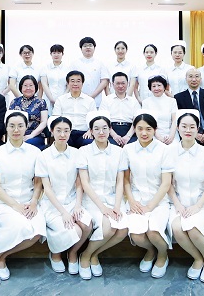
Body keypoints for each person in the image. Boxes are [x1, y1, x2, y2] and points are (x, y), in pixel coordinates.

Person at [0, 111, 45, 286]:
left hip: (29, 201)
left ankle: (2, 257)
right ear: (6, 128)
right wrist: (15, 205)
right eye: (12, 126)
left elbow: (38, 182)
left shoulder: (35, 152)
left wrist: (34, 202)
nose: (16, 130)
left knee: (38, 229)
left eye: (20, 126)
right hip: (4, 202)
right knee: (19, 225)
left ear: (26, 127)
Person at [36, 116, 93, 275]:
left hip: (72, 200)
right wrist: (63, 212)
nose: (62, 134)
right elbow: (47, 188)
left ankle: (73, 253)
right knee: (74, 230)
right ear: (52, 131)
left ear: (70, 132)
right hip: (52, 204)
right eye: (59, 130)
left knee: (87, 225)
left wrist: (77, 205)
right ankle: (55, 254)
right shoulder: (43, 156)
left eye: (66, 131)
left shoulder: (77, 153)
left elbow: (79, 183)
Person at [168, 110, 204, 283]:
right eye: (184, 126)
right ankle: (197, 259)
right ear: (178, 128)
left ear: (198, 129)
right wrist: (178, 204)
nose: (188, 130)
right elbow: (167, 184)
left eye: (192, 127)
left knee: (194, 229)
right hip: (178, 202)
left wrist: (197, 206)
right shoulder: (169, 152)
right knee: (177, 228)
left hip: (201, 203)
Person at [77, 111, 129, 280]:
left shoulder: (119, 152)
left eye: (105, 128)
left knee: (122, 229)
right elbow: (85, 183)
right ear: (91, 131)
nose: (101, 132)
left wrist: (117, 206)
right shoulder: (84, 151)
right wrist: (103, 208)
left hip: (113, 198)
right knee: (109, 228)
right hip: (92, 200)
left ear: (110, 129)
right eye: (97, 129)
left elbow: (120, 182)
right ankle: (85, 257)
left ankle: (93, 254)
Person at [123, 113, 173, 278]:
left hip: (159, 200)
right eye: (140, 129)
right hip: (137, 199)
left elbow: (166, 183)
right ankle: (151, 251)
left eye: (148, 129)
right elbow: (126, 180)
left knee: (153, 231)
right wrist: (131, 201)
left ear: (155, 130)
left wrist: (150, 206)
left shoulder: (164, 150)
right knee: (137, 235)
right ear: (134, 129)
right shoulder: (128, 149)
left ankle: (163, 255)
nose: (144, 133)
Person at [174, 68, 204, 147]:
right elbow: (179, 119)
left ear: (200, 79)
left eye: (197, 76)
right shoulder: (179, 97)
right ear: (186, 79)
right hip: (189, 133)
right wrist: (194, 133)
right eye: (190, 76)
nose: (194, 79)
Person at [52, 71, 97, 148]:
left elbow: (94, 120)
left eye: (78, 81)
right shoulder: (60, 100)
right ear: (68, 83)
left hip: (84, 133)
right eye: (72, 81)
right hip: (65, 132)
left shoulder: (90, 100)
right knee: (62, 143)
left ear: (82, 83)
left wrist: (90, 131)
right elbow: (56, 118)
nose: (75, 84)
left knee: (89, 143)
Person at [99, 72, 141, 146]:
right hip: (111, 130)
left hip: (130, 130)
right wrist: (114, 136)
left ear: (128, 84)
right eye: (118, 83)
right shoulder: (106, 100)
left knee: (134, 146)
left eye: (123, 83)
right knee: (110, 145)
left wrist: (128, 136)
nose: (120, 86)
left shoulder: (134, 101)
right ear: (112, 84)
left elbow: (137, 120)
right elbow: (103, 120)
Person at [8, 75, 49, 149]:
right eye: (25, 85)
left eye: (31, 85)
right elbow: (10, 121)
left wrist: (31, 135)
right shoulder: (14, 102)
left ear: (35, 87)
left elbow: (44, 122)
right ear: (21, 87)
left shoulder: (41, 102)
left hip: (35, 135)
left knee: (27, 144)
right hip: (16, 134)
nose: (28, 88)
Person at [71, 37, 110, 107]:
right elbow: (70, 82)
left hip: (96, 101)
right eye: (85, 46)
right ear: (81, 49)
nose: (88, 47)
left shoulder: (100, 63)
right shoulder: (75, 64)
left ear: (94, 48)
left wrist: (92, 96)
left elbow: (104, 82)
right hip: (78, 100)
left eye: (90, 45)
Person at [141, 76, 178, 145]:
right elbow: (148, 123)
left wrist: (171, 137)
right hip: (153, 135)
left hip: (171, 134)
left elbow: (174, 120)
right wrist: (160, 138)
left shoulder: (172, 101)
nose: (156, 88)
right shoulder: (146, 102)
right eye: (153, 86)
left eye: (159, 85)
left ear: (164, 87)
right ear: (150, 88)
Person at [40, 44, 69, 108]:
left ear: (62, 54)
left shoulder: (67, 69)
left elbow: (69, 86)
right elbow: (44, 84)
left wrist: (62, 99)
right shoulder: (45, 68)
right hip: (48, 99)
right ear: (51, 54)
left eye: (59, 53)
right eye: (54, 53)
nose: (56, 55)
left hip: (63, 99)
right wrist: (51, 99)